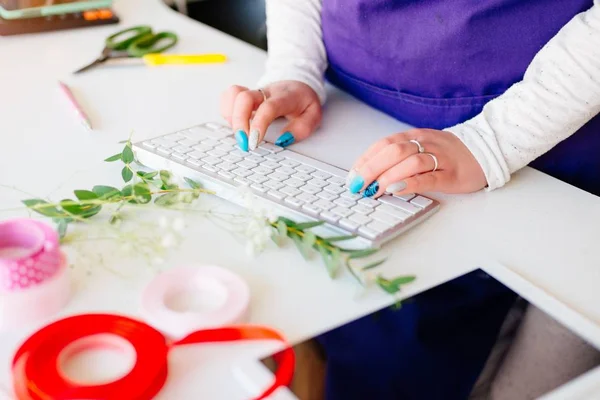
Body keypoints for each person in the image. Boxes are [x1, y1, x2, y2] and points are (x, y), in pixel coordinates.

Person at [220, 1, 600, 399]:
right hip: (348, 110)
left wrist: (494, 142)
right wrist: (294, 68)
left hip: (534, 129)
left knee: (396, 350)